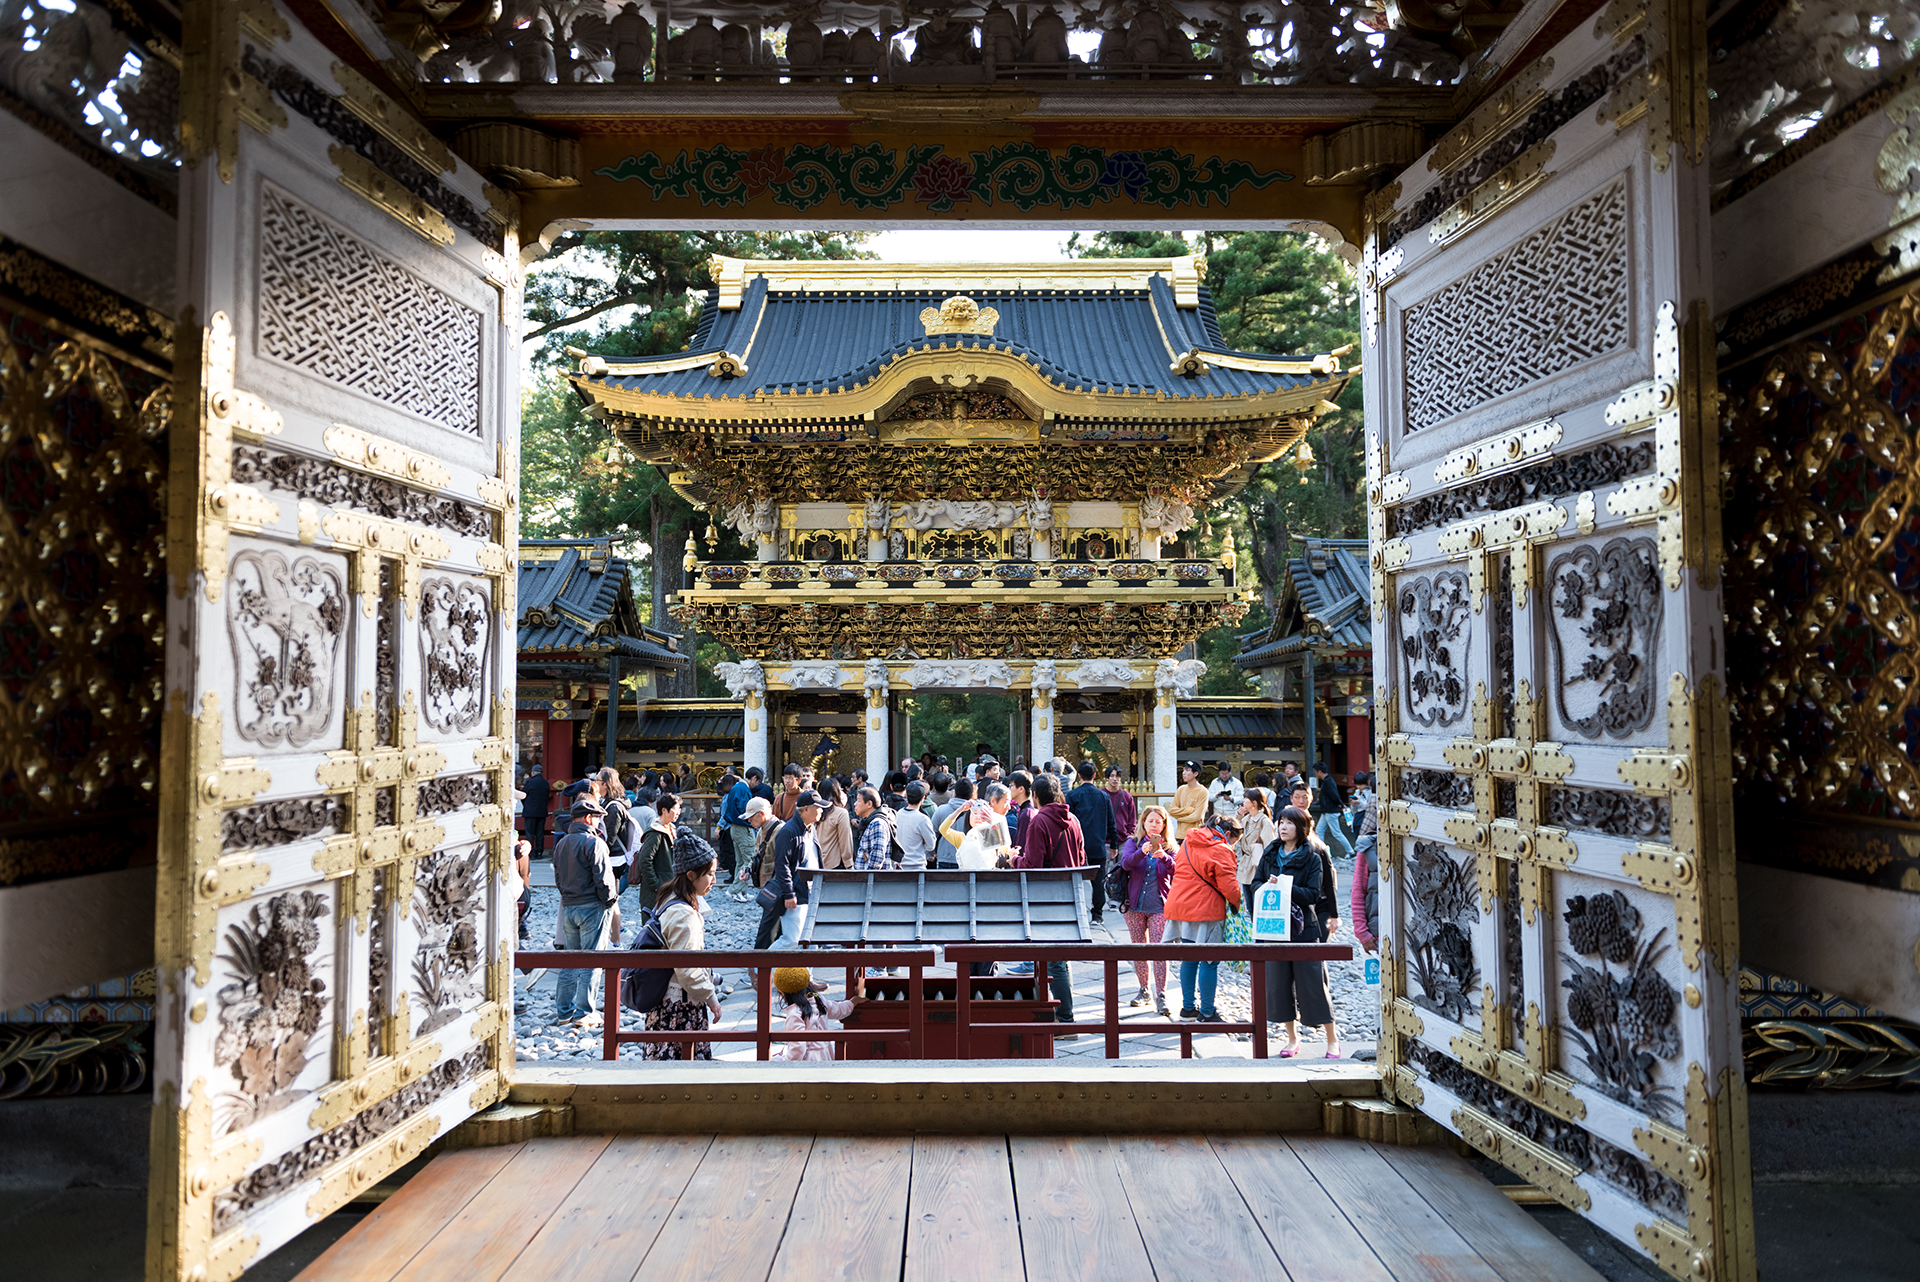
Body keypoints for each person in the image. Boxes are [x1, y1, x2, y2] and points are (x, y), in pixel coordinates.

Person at [1256, 806, 1340, 1057]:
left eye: (1289, 823)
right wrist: (1267, 886)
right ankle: (1291, 1039)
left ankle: (1332, 1039)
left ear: (1301, 828)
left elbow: (1313, 894)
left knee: (1314, 983)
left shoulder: (1313, 857)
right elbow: (1257, 882)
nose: (1282, 827)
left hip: (1304, 928)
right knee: (1278, 985)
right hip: (1273, 926)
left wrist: (1283, 886)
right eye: (1281, 822)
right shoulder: (1270, 853)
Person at [1013, 773, 1084, 1037]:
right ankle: (1056, 1012)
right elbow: (1081, 857)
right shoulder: (1073, 820)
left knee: (1052, 960)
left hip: (1046, 897)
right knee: (1059, 959)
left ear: (1035, 795)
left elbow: (1032, 865)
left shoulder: (1039, 820)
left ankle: (1065, 1020)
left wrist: (1013, 861)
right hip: (1068, 894)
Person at [641, 831, 722, 1061]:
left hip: (666, 1003)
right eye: (710, 874)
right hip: (679, 1006)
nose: (713, 881)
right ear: (691, 875)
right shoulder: (683, 914)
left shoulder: (669, 898)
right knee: (682, 1068)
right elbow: (688, 969)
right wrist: (711, 997)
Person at [1165, 810, 1242, 1023]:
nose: (1233, 845)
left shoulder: (1189, 842)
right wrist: (1238, 904)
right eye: (1234, 840)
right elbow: (1229, 885)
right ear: (1227, 833)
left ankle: (1188, 1009)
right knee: (1209, 961)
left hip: (1181, 907)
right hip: (1206, 910)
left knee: (1188, 959)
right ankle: (1207, 1012)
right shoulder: (1221, 848)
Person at [551, 797, 614, 1028]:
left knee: (570, 959)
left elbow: (558, 878)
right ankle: (584, 1012)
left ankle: (564, 1011)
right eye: (597, 817)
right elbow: (604, 880)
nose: (598, 822)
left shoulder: (561, 843)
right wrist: (609, 902)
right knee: (592, 960)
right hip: (591, 906)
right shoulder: (594, 843)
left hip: (569, 905)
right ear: (589, 818)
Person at [1117, 804, 1175, 1015]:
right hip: (1134, 906)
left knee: (1160, 950)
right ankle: (1144, 990)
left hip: (1159, 906)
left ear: (1164, 825)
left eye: (1158, 821)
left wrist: (1165, 858)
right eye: (1150, 821)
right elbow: (1125, 864)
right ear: (1143, 822)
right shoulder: (1133, 843)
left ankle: (1162, 994)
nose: (1154, 824)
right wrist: (1142, 853)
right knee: (1139, 949)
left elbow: (1178, 871)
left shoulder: (1169, 847)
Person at [1064, 761, 1119, 924]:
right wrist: (1114, 844)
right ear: (1095, 776)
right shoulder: (1103, 796)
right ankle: (1097, 915)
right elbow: (1111, 822)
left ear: (1079, 776)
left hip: (1077, 847)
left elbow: (1067, 822)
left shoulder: (1072, 795)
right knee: (1098, 882)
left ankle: (1077, 912)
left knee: (1076, 881)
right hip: (1098, 846)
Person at [767, 789, 822, 949]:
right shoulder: (788, 831)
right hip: (797, 891)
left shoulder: (810, 827)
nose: (821, 810)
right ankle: (759, 970)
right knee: (792, 939)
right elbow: (782, 865)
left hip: (811, 891)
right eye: (818, 807)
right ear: (806, 809)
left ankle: (807, 975)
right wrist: (789, 893)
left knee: (812, 940)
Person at [773, 967, 853, 1061]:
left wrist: (786, 1063)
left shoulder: (795, 1013)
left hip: (808, 1062)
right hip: (825, 1055)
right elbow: (838, 1010)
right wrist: (852, 1003)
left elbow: (798, 1047)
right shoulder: (819, 999)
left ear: (781, 991)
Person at [628, 789, 680, 916]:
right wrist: (655, 884)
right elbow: (645, 859)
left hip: (669, 884)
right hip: (656, 890)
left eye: (679, 809)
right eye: (675, 809)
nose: (678, 812)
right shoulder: (655, 831)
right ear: (663, 810)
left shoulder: (671, 828)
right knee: (654, 927)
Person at [1236, 787, 1279, 906]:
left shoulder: (1264, 821)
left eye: (1246, 798)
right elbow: (1233, 833)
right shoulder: (1246, 819)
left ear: (1254, 803)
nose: (1243, 801)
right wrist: (1238, 816)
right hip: (1246, 865)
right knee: (1249, 905)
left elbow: (1270, 846)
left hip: (1258, 866)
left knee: (1258, 904)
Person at [732, 796, 776, 902]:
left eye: (751, 817)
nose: (749, 820)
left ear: (762, 814)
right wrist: (749, 870)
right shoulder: (761, 831)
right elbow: (757, 855)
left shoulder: (780, 831)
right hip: (768, 888)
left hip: (777, 889)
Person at [718, 768, 754, 883]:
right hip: (739, 826)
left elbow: (725, 813)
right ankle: (738, 887)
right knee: (744, 859)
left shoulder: (733, 791)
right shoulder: (741, 789)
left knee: (737, 858)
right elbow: (743, 810)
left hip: (732, 826)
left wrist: (719, 826)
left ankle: (736, 886)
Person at [1311, 763, 1354, 858]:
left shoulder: (1327, 782)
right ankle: (1321, 851)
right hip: (1328, 811)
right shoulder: (1328, 781)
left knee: (1336, 833)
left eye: (1316, 771)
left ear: (1319, 771)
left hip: (1330, 811)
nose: (1315, 774)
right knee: (1319, 830)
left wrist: (1340, 803)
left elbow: (1334, 795)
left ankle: (1350, 851)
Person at [813, 776, 854, 870]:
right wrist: (849, 864)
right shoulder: (841, 813)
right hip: (834, 863)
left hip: (815, 863)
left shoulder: (815, 811)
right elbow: (845, 841)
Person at [895, 780, 938, 869]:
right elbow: (931, 846)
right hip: (917, 867)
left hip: (899, 866)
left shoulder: (898, 814)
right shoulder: (923, 819)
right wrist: (922, 842)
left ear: (906, 796)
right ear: (923, 798)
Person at [851, 785, 894, 870]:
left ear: (869, 804)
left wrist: (868, 879)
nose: (855, 804)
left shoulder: (878, 824)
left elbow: (877, 860)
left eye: (858, 801)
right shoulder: (871, 822)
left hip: (874, 881)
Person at [1167, 761, 1209, 839]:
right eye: (1183, 770)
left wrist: (1180, 818)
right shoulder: (1181, 789)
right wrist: (1188, 810)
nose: (1183, 773)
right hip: (1179, 835)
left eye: (1187, 770)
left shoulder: (1203, 791)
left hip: (1195, 834)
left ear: (1195, 774)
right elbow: (1172, 810)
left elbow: (1197, 816)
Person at [521, 762, 551, 856]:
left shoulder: (529, 782)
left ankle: (530, 852)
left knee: (530, 833)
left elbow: (523, 795)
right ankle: (539, 851)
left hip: (530, 811)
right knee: (540, 832)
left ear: (533, 773)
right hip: (542, 810)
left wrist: (526, 804)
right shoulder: (545, 783)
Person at [1102, 765, 1137, 847]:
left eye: (1117, 776)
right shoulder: (1101, 795)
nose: (1115, 779)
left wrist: (1130, 834)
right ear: (1107, 778)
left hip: (1123, 840)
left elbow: (1132, 819)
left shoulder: (1127, 797)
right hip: (1105, 840)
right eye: (1112, 776)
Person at [1004, 770, 1035, 844]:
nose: (1009, 789)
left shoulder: (1027, 813)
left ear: (1021, 789)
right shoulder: (1025, 810)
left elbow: (1021, 846)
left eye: (1011, 786)